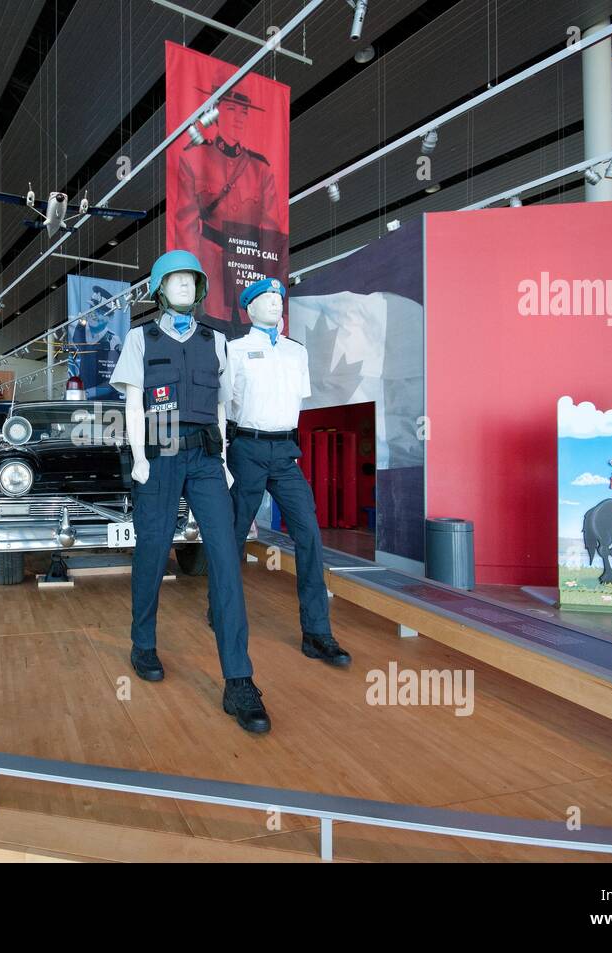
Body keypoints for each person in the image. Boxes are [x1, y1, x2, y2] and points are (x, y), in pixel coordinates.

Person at [110, 249, 270, 734]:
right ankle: (143, 643)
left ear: (199, 288)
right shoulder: (141, 339)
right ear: (159, 287)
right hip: (157, 458)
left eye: (190, 280)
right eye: (174, 279)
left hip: (205, 459)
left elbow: (222, 409)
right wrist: (138, 459)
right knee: (153, 553)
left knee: (225, 557)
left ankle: (239, 680)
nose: (183, 286)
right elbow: (134, 406)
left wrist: (222, 463)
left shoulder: (216, 341)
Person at [222, 278, 351, 668]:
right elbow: (227, 405)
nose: (275, 304)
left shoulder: (297, 353)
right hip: (247, 446)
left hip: (285, 450)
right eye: (265, 298)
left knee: (309, 534)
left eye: (278, 298)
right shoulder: (235, 350)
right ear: (250, 309)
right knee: (232, 536)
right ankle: (221, 611)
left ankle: (317, 633)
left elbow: (296, 402)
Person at [172, 88, 281, 329]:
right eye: (231, 110)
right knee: (211, 340)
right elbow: (185, 228)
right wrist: (190, 282)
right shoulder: (195, 159)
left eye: (244, 112)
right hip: (211, 271)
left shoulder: (260, 169)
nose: (238, 118)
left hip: (249, 274)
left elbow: (272, 233)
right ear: (218, 115)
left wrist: (270, 287)